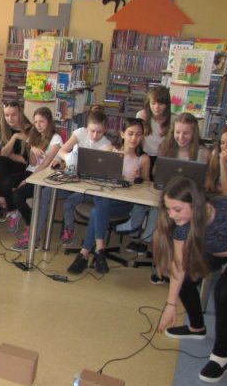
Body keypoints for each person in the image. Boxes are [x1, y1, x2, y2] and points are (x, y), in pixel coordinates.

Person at [154, 176, 227, 383]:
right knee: (185, 282)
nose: (171, 215)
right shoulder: (183, 225)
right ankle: (197, 328)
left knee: (223, 294)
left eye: (177, 209)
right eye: (168, 209)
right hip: (214, 251)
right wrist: (170, 305)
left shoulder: (225, 212)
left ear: (195, 204)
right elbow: (179, 266)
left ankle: (220, 357)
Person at [127, 113, 210, 282]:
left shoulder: (203, 153)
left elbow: (206, 183)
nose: (181, 137)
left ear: (194, 133)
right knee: (161, 223)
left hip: (191, 202)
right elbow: (156, 173)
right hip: (168, 196)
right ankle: (160, 265)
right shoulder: (166, 147)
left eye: (186, 133)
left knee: (178, 225)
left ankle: (180, 266)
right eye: (178, 132)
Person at [67, 118, 150, 274]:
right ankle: (99, 249)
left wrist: (138, 179)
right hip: (103, 197)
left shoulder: (143, 159)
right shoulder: (110, 150)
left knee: (96, 210)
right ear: (122, 134)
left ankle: (84, 254)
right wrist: (119, 178)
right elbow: (95, 175)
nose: (134, 138)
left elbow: (147, 187)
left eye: (138, 135)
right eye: (130, 133)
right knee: (102, 200)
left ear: (142, 136)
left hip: (123, 204)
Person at [32, 106, 112, 246]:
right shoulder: (80, 133)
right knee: (45, 193)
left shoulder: (107, 145)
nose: (95, 136)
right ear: (86, 127)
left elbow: (104, 171)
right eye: (92, 131)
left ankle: (69, 229)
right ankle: (35, 235)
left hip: (88, 187)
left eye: (99, 132)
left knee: (69, 203)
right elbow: (62, 150)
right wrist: (67, 158)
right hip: (71, 179)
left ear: (105, 130)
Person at [9, 107, 63, 250]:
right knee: (7, 183)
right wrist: (32, 148)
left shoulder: (56, 139)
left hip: (44, 176)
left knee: (17, 194)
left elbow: (45, 164)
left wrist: (28, 180)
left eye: (41, 122)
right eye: (36, 122)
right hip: (33, 172)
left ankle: (31, 228)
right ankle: (24, 218)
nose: (38, 125)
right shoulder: (35, 134)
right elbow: (33, 163)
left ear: (49, 122)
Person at [0, 100, 31, 228]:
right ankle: (2, 200)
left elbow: (25, 160)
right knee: (0, 163)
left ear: (20, 113)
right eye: (7, 115)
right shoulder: (4, 127)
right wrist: (15, 137)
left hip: (23, 169)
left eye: (14, 115)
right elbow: (3, 154)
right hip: (6, 166)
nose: (10, 118)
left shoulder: (30, 129)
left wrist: (6, 153)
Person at [137, 85, 172, 170]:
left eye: (161, 104)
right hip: (144, 156)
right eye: (153, 103)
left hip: (164, 158)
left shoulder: (173, 119)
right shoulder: (142, 115)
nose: (156, 107)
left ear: (167, 105)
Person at [205, 124, 227, 196]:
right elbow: (209, 183)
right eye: (222, 143)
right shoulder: (215, 154)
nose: (225, 147)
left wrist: (223, 163)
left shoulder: (223, 160)